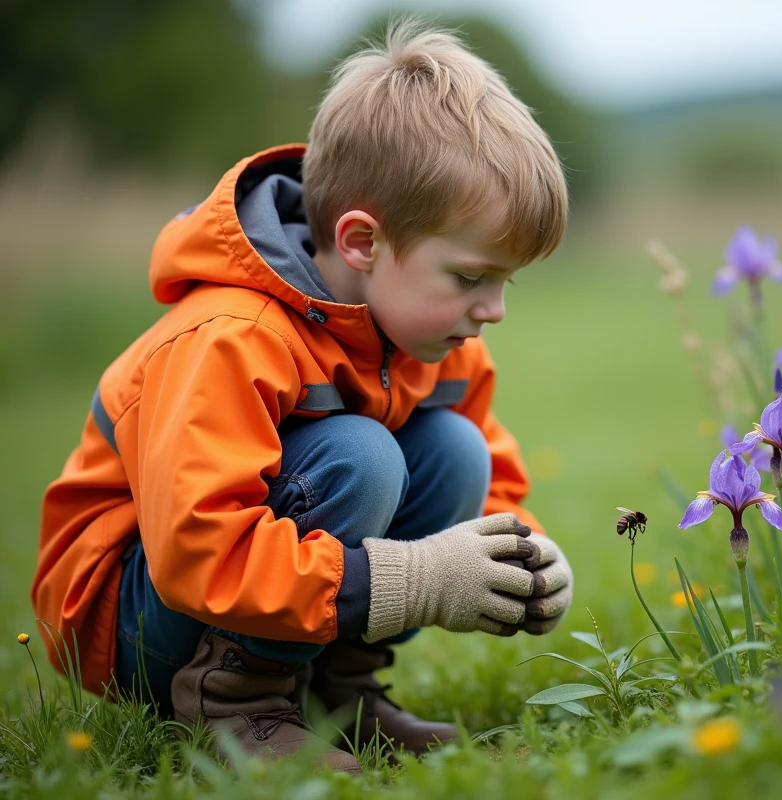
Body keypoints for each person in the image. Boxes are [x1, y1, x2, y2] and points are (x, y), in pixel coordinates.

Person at [31, 19, 573, 774]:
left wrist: (525, 558)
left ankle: (334, 700)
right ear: (361, 243)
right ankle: (238, 707)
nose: (494, 310)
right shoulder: (231, 335)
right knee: (361, 455)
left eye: (506, 282)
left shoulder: (434, 341)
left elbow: (490, 485)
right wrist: (410, 581)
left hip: (238, 589)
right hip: (138, 616)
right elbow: (198, 551)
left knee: (455, 448)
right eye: (471, 277)